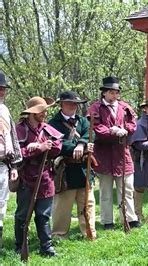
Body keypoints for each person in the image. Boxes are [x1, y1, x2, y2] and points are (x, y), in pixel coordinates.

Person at [87, 76, 140, 230]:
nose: (114, 95)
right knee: (105, 192)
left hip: (122, 155)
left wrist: (126, 129)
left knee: (127, 189)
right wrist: (112, 131)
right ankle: (107, 221)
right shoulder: (95, 108)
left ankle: (129, 218)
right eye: (111, 92)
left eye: (116, 92)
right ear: (104, 93)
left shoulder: (125, 107)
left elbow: (132, 124)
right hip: (104, 155)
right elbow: (95, 127)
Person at [15, 96, 62, 256]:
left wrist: (49, 147)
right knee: (23, 214)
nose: (45, 113)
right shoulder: (19, 129)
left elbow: (58, 146)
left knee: (43, 215)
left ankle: (46, 247)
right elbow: (16, 153)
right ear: (32, 113)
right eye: (41, 110)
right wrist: (35, 148)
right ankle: (19, 245)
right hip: (26, 177)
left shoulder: (47, 128)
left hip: (46, 177)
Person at [49, 91, 96, 239]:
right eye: (70, 103)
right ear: (61, 104)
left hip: (83, 169)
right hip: (65, 171)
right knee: (62, 206)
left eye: (76, 103)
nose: (73, 106)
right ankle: (59, 234)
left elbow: (90, 134)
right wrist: (74, 147)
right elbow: (57, 144)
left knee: (87, 203)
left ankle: (89, 232)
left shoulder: (82, 121)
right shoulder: (53, 123)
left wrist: (82, 144)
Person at [0, 70, 22, 249]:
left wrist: (14, 165)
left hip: (3, 164)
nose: (1, 92)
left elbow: (13, 138)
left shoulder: (5, 110)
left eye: (3, 89)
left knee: (1, 204)